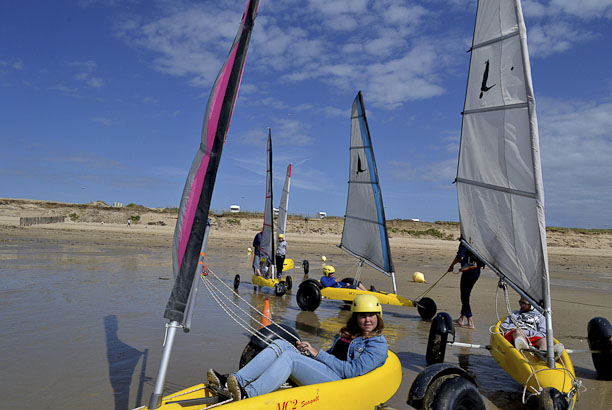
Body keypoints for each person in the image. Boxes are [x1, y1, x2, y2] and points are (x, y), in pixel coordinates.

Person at [207, 294, 388, 401]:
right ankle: (235, 381)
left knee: (290, 359)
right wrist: (309, 352)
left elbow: (352, 371)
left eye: (371, 315)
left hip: (340, 384)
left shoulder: (377, 344)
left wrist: (318, 355)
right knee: (282, 345)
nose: (367, 320)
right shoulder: (350, 334)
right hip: (328, 372)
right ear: (355, 317)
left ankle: (249, 395)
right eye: (362, 316)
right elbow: (332, 357)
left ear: (378, 317)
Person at [447, 239, 484, 329]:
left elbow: (460, 256)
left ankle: (470, 321)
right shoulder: (477, 240)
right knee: (466, 294)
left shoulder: (465, 241)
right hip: (476, 271)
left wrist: (451, 266)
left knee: (464, 296)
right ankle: (461, 318)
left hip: (470, 272)